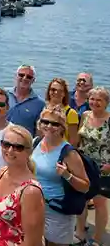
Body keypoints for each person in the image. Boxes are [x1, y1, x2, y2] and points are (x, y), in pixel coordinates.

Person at [31, 105, 89, 245]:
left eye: (55, 124)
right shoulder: (36, 142)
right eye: (45, 122)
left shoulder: (69, 153)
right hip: (35, 206)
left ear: (62, 127)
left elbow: (85, 187)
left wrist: (67, 175)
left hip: (58, 211)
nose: (49, 126)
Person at [0, 125, 44, 245]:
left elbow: (32, 241)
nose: (10, 150)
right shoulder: (1, 172)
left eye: (18, 147)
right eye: (6, 144)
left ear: (29, 152)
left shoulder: (30, 191)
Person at [75, 87, 110, 245]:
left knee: (99, 203)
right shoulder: (85, 115)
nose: (95, 103)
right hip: (83, 164)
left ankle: (97, 239)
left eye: (99, 100)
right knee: (82, 199)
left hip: (103, 168)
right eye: (92, 99)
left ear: (106, 103)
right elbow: (79, 138)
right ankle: (80, 233)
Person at [6, 65, 45, 136]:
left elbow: (39, 132)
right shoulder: (4, 94)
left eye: (29, 77)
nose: (24, 78)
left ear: (33, 80)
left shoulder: (40, 104)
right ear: (16, 76)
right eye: (21, 75)